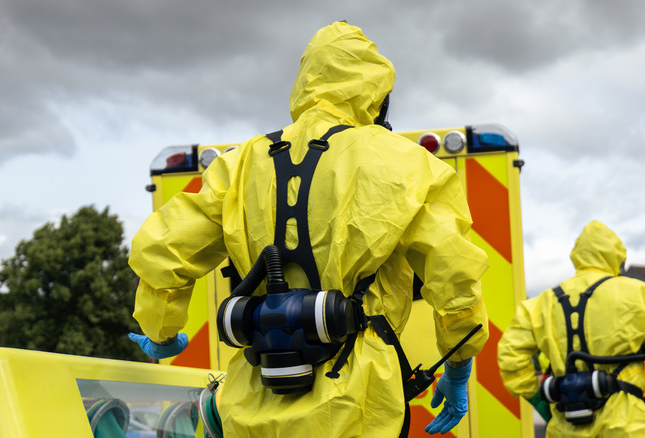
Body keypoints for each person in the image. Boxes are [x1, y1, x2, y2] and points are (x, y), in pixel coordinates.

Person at [128, 21, 489, 437]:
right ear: (377, 93)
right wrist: (458, 369)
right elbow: (455, 281)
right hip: (359, 406)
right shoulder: (409, 166)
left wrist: (162, 334)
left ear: (304, 83)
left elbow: (162, 252)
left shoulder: (238, 164)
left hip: (253, 402)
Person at [497, 220, 645, 437]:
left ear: (577, 256)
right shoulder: (641, 295)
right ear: (617, 256)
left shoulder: (541, 304)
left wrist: (538, 400)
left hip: (566, 426)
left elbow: (510, 357)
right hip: (629, 426)